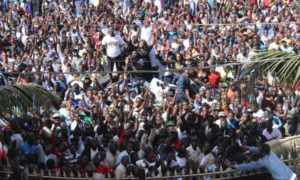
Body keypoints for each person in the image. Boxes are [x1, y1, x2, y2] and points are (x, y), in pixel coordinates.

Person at [225, 143, 297, 180]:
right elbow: (257, 149)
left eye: (259, 150)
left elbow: (247, 166)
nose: (258, 151)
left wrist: (233, 166)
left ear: (263, 153)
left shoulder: (263, 162)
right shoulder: (271, 153)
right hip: (293, 176)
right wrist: (249, 148)